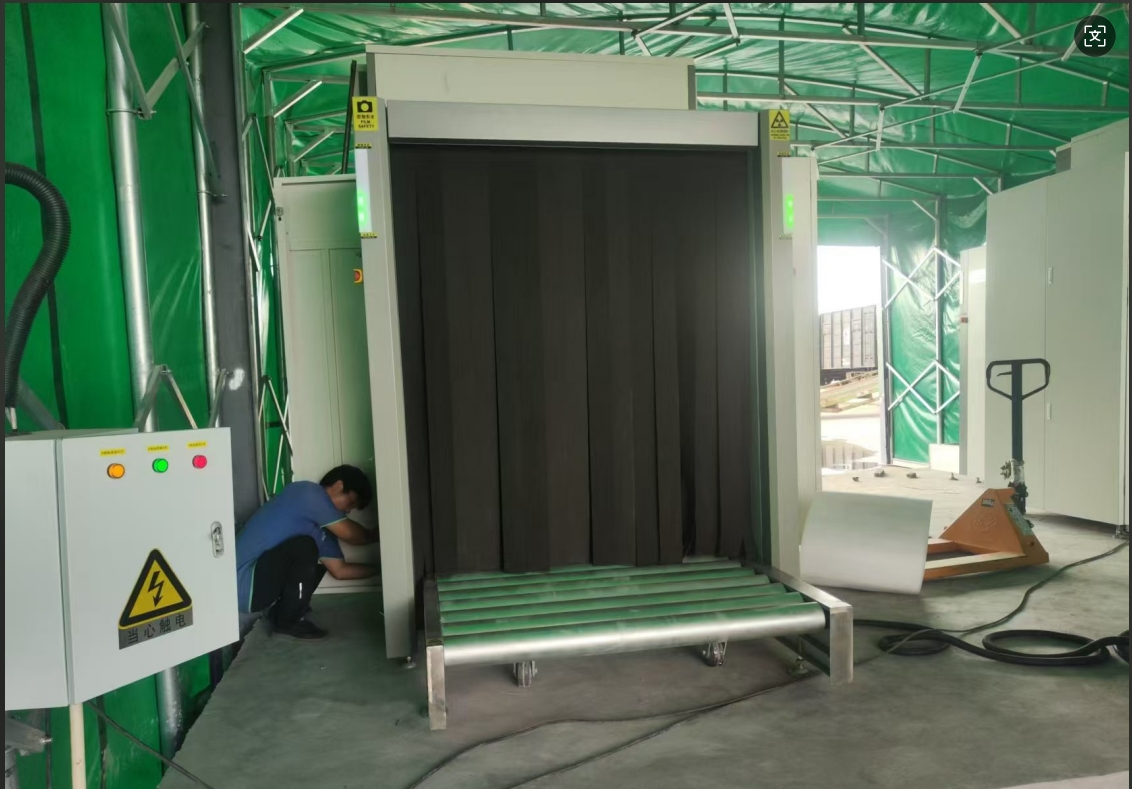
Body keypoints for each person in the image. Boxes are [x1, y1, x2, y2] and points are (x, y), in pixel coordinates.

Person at [235, 465, 378, 640]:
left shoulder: (321, 529)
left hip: (259, 591)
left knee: (314, 559)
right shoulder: (307, 492)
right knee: (304, 547)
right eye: (351, 503)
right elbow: (353, 536)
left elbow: (340, 570)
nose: (348, 511)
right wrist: (378, 534)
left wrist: (382, 570)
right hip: (241, 584)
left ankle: (284, 610)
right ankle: (287, 621)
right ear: (338, 486)